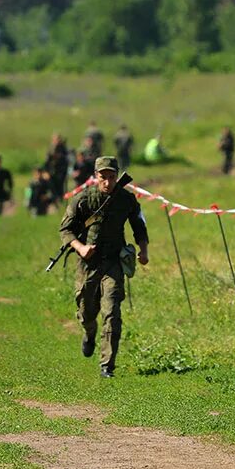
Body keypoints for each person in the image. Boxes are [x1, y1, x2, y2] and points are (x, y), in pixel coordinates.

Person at [59, 156, 150, 378]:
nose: (108, 182)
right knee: (86, 310)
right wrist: (80, 248)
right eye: (103, 177)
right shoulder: (83, 200)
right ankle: (89, 333)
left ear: (117, 176)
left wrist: (143, 250)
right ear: (95, 176)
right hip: (88, 264)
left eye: (112, 177)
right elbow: (66, 230)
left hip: (113, 262)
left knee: (112, 311)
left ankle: (107, 365)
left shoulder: (126, 200)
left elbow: (139, 225)